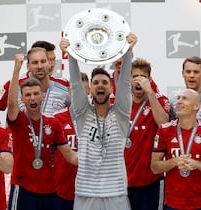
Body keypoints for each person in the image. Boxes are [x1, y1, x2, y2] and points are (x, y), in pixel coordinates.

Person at [59, 32, 137, 210]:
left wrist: (127, 51)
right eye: (95, 83)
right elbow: (77, 84)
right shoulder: (82, 113)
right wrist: (71, 54)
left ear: (111, 88)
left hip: (115, 192)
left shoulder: (121, 114)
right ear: (91, 89)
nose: (100, 85)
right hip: (86, 193)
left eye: (104, 82)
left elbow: (125, 82)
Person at [7, 53, 78, 210]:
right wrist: (17, 68)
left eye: (36, 94)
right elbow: (11, 105)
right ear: (23, 99)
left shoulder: (53, 123)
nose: (32, 98)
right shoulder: (18, 120)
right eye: (27, 95)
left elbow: (70, 155)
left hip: (50, 189)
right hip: (23, 187)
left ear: (43, 96)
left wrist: (96, 161)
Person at [151, 88, 201, 210]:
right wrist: (174, 162)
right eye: (178, 98)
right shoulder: (164, 130)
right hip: (172, 203)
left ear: (196, 106)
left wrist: (198, 165)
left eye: (184, 98)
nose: (179, 101)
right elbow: (154, 167)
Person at [125, 58, 170, 210]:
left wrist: (150, 92)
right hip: (122, 181)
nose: (138, 81)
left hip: (150, 180)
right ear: (129, 79)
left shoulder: (160, 100)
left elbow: (164, 124)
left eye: (143, 77)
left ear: (150, 80)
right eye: (134, 77)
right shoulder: (121, 103)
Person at [0, 46, 70, 122]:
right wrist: (1, 133)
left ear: (49, 63)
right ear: (28, 66)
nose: (39, 66)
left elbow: (77, 113)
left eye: (43, 61)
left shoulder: (64, 84)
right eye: (35, 62)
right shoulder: (13, 84)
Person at [53, 72, 89, 210]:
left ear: (89, 91)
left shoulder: (99, 119)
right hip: (62, 190)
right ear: (69, 90)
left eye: (83, 91)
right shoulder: (56, 119)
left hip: (90, 191)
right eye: (75, 90)